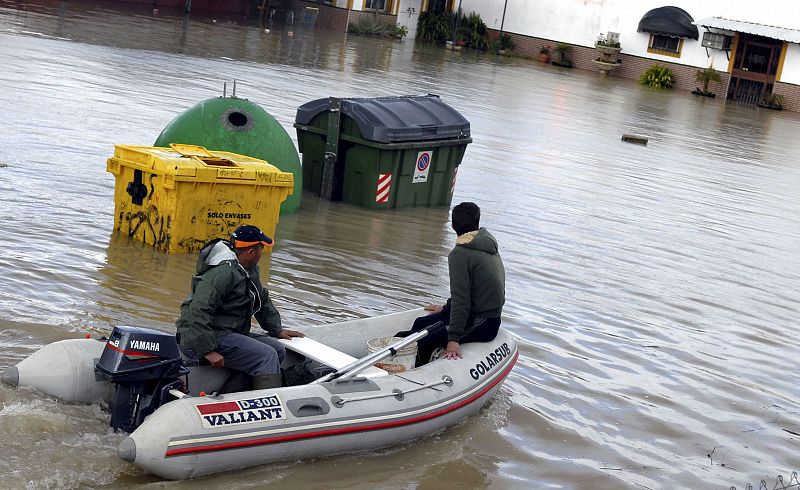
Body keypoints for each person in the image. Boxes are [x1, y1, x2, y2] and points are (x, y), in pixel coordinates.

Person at [176, 224, 304, 389]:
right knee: (267, 356)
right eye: (261, 249)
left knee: (278, 349)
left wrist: (276, 329)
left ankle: (236, 391)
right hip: (199, 337)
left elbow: (261, 298)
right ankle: (267, 401)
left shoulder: (248, 269)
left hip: (226, 331)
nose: (262, 254)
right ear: (251, 252)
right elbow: (198, 310)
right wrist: (207, 350)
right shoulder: (223, 273)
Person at [400, 202, 505, 365]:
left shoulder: (460, 254)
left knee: (413, 340)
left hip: (482, 322)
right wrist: (446, 308)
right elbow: (471, 290)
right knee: (420, 323)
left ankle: (415, 369)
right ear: (477, 221)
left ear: (453, 226)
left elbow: (462, 299)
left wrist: (453, 339)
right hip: (485, 317)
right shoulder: (486, 244)